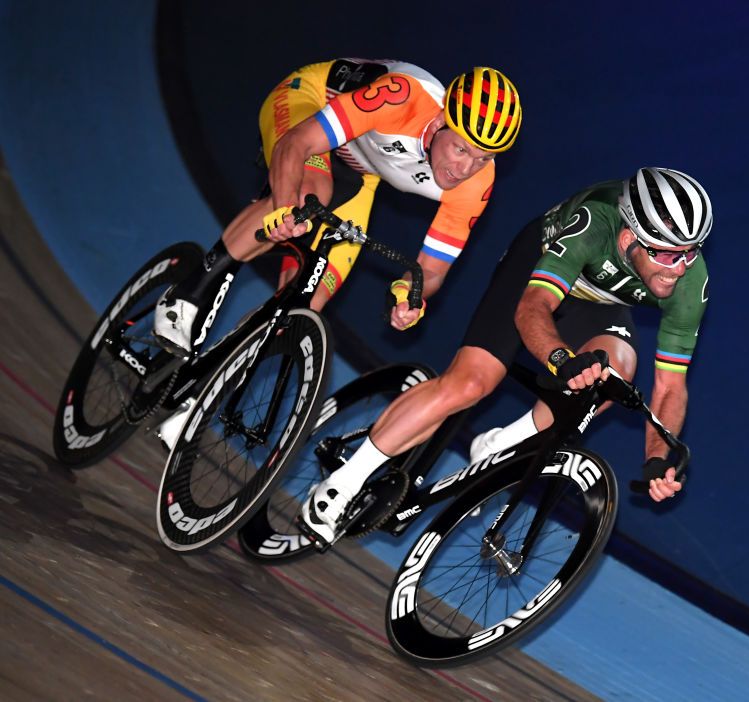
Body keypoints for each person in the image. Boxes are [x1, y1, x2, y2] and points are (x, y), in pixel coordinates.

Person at [302, 167, 713, 543]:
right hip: (539, 269)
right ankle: (343, 483)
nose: (677, 268)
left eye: (689, 253)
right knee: (471, 383)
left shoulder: (689, 280)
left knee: (613, 375)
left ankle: (500, 445)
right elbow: (531, 307)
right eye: (665, 254)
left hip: (600, 303)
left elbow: (669, 387)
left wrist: (657, 459)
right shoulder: (595, 223)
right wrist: (559, 358)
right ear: (629, 239)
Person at [153, 58, 522, 353]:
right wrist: (283, 207)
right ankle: (189, 294)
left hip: (361, 172)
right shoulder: (402, 97)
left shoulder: (477, 181)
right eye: (461, 149)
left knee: (304, 306)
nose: (465, 168)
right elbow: (296, 145)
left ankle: (213, 375)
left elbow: (432, 271)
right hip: (308, 104)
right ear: (441, 121)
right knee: (313, 193)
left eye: (482, 157)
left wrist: (410, 297)